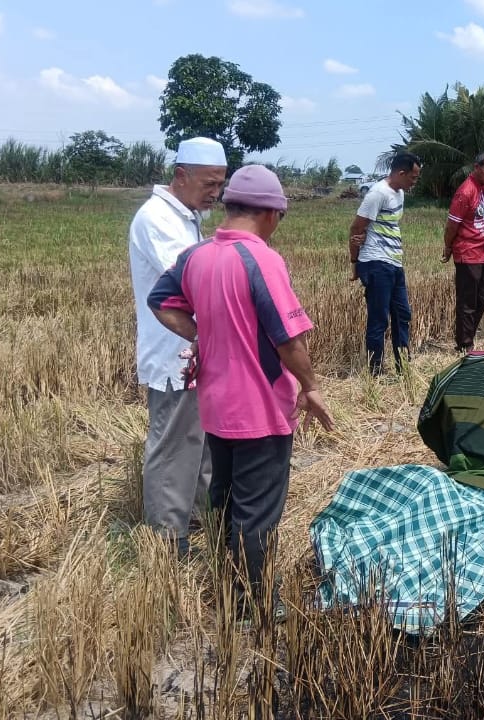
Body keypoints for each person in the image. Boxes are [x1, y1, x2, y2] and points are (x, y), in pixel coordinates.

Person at [149, 165, 334, 612]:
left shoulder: (196, 256)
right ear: (270, 213)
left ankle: (227, 582)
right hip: (260, 409)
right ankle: (254, 604)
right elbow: (287, 339)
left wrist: (202, 334)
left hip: (215, 406)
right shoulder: (261, 259)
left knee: (224, 498)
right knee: (257, 512)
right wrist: (310, 386)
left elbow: (160, 301)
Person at [127, 136, 227, 557]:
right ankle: (168, 538)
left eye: (220, 184)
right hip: (173, 353)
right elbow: (192, 279)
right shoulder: (157, 219)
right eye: (209, 183)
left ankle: (197, 517)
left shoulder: (186, 217)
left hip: (195, 348)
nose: (216, 193)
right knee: (173, 445)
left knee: (200, 441)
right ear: (181, 176)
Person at [348, 152, 422, 375]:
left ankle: (403, 366)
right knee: (379, 319)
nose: (414, 182)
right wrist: (355, 263)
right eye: (413, 177)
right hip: (376, 263)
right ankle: (375, 371)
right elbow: (356, 228)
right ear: (401, 173)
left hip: (394, 262)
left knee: (403, 314)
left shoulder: (399, 194)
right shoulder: (377, 193)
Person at [442, 151, 484, 353]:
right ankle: (464, 345)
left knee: (482, 297)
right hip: (468, 252)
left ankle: (468, 336)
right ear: (476, 168)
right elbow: (451, 225)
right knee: (468, 302)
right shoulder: (466, 192)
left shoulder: (482, 188)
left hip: (483, 253)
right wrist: (448, 246)